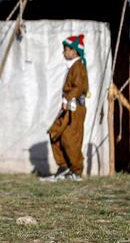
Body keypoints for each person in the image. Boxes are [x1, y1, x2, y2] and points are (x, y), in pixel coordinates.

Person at [41, 34, 89, 182]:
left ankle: (76, 170)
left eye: (66, 49)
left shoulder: (78, 67)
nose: (63, 52)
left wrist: (68, 98)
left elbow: (80, 86)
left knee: (70, 138)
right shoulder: (72, 67)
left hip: (75, 109)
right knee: (55, 132)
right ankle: (64, 166)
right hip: (68, 108)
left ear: (74, 51)